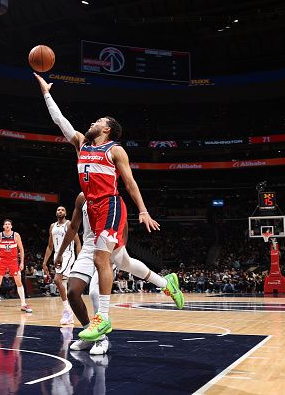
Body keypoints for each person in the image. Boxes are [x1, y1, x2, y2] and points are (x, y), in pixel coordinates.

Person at [35, 73, 180, 341]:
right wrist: (46, 93)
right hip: (93, 207)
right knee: (118, 262)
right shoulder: (81, 143)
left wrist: (143, 211)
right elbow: (59, 120)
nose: (92, 122)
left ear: (107, 129)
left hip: (111, 205)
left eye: (97, 121)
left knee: (104, 260)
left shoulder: (116, 150)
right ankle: (164, 283)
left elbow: (130, 182)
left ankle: (102, 318)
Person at [55, 192, 183, 354]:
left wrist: (115, 252)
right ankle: (91, 335)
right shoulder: (81, 198)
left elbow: (124, 229)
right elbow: (73, 227)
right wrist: (59, 253)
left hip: (107, 247)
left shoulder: (113, 199)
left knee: (95, 292)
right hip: (88, 248)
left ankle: (102, 339)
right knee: (72, 292)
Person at [42, 206, 81, 325]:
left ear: (66, 213)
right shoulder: (52, 226)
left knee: (57, 280)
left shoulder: (69, 224)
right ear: (56, 212)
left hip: (68, 254)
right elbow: (50, 246)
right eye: (58, 210)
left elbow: (78, 243)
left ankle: (68, 311)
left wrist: (79, 260)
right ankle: (69, 313)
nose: (60, 211)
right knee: (62, 283)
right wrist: (44, 262)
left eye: (62, 210)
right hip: (56, 256)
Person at [0, 219, 32, 313]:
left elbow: (21, 249)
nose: (7, 225)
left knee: (18, 282)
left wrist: (22, 262)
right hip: (2, 260)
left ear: (11, 226)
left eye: (9, 224)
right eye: (5, 224)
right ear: (3, 226)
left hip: (13, 260)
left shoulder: (16, 235)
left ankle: (23, 304)